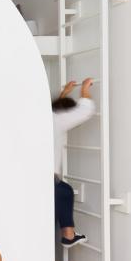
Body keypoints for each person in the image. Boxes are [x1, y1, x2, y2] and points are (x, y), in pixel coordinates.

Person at [52, 78, 95, 246]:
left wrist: (65, 93)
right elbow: (86, 109)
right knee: (64, 191)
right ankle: (68, 236)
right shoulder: (58, 120)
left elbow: (56, 108)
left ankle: (68, 235)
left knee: (63, 191)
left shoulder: (48, 116)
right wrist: (84, 89)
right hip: (45, 179)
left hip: (38, 178)